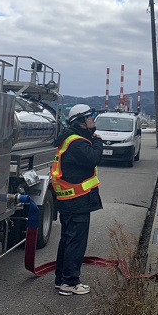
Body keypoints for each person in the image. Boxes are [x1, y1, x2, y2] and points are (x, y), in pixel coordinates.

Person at [51, 103, 104, 295]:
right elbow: (93, 158)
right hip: (77, 200)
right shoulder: (77, 143)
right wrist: (98, 141)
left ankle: (61, 279)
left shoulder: (71, 139)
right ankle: (70, 282)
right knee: (76, 242)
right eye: (90, 117)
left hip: (70, 201)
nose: (93, 120)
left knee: (68, 240)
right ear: (81, 122)